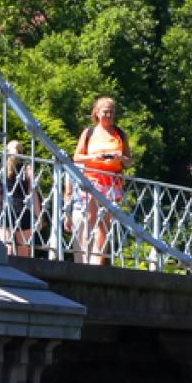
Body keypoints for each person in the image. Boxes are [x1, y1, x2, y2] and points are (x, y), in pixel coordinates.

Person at [73, 96, 130, 264]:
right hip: (92, 180)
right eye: (105, 112)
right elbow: (76, 157)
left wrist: (120, 157)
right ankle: (85, 258)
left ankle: (98, 261)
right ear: (97, 113)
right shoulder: (89, 132)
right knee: (89, 220)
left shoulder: (120, 134)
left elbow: (129, 161)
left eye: (112, 112)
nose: (109, 115)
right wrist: (94, 156)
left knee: (104, 223)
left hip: (112, 182)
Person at [0, 139, 39, 257]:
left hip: (5, 210)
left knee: (7, 247)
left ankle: (7, 274)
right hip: (23, 211)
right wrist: (37, 216)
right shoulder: (27, 169)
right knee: (23, 249)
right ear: (21, 153)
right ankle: (24, 275)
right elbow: (32, 193)